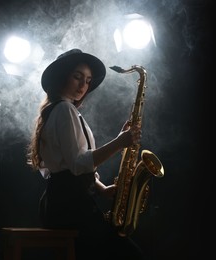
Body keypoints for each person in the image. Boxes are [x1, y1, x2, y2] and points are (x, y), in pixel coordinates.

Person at [26, 48, 145, 260]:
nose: (83, 85)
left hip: (63, 203)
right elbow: (78, 164)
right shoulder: (64, 110)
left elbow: (67, 166)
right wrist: (120, 142)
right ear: (62, 77)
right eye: (77, 77)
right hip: (70, 207)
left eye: (88, 80)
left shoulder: (62, 110)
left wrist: (101, 188)